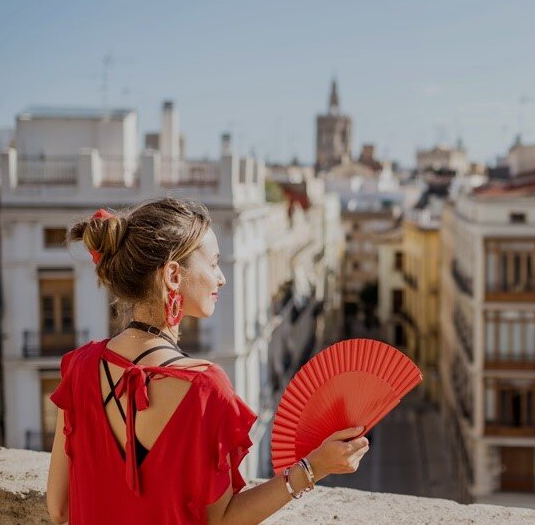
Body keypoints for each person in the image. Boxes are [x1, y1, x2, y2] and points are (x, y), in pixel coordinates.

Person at [46, 198, 370, 524]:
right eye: (213, 263)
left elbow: (58, 508)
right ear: (173, 274)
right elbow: (223, 519)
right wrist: (315, 466)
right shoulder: (204, 388)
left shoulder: (79, 367)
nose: (221, 278)